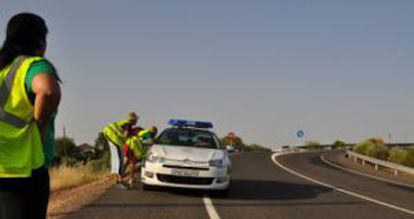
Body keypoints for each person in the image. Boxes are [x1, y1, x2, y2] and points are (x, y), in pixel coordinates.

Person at [0, 13, 61, 219]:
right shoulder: (33, 65)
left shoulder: (3, 71)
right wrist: (40, 127)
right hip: (25, 170)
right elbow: (48, 90)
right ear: (39, 41)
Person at [102, 112, 139, 186]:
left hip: (108, 132)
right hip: (114, 137)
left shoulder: (124, 123)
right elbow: (125, 135)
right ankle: (119, 178)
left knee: (115, 157)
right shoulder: (128, 125)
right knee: (120, 158)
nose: (137, 121)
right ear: (133, 120)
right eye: (136, 120)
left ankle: (116, 175)